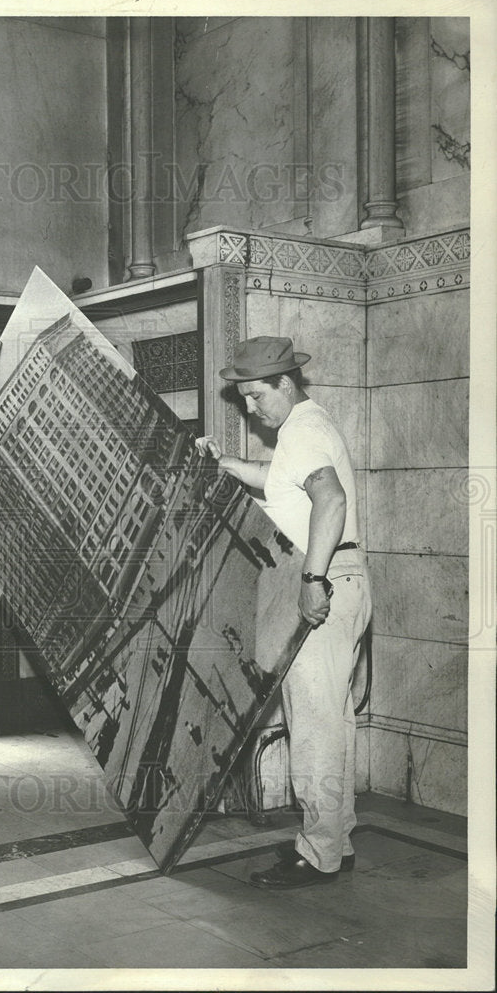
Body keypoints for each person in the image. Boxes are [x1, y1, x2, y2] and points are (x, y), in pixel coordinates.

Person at [196, 336, 372, 889]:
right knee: (332, 722)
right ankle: (334, 841)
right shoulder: (305, 429)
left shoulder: (303, 430)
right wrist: (226, 463)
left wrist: (312, 579)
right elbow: (284, 484)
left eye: (255, 396)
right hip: (347, 581)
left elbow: (332, 500)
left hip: (327, 585)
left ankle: (317, 853)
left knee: (314, 726)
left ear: (284, 384)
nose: (251, 408)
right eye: (244, 398)